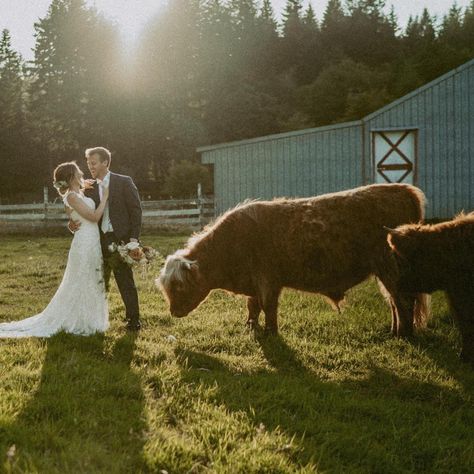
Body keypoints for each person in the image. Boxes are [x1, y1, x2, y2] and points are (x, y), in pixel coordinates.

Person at [0, 162, 109, 337]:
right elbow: (94, 217)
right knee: (81, 281)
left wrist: (83, 186)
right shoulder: (71, 197)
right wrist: (105, 198)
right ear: (71, 176)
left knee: (90, 279)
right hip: (84, 244)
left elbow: (74, 219)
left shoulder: (76, 194)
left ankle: (87, 317)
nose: (82, 173)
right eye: (78, 172)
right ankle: (78, 319)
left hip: (91, 242)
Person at [69, 147, 142, 331]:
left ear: (105, 163)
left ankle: (133, 320)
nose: (90, 166)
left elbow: (135, 211)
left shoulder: (124, 182)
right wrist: (70, 223)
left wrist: (134, 238)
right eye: (88, 163)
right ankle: (97, 320)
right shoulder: (88, 186)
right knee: (98, 281)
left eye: (93, 163)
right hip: (96, 240)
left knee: (125, 280)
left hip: (121, 239)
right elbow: (78, 208)